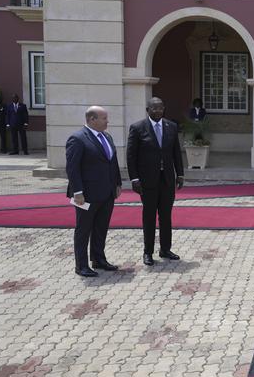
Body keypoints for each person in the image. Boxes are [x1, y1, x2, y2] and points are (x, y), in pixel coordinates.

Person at [127, 97, 185, 266]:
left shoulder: (171, 127)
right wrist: (134, 178)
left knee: (166, 216)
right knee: (149, 216)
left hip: (167, 180)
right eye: (154, 108)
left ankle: (165, 249)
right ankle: (148, 252)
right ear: (148, 110)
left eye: (160, 108)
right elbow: (131, 156)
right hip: (147, 181)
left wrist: (179, 174)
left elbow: (176, 153)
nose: (158, 111)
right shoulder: (138, 128)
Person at [65, 106, 122, 277]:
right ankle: (81, 265)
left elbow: (113, 162)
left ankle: (98, 259)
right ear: (92, 120)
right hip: (86, 194)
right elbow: (72, 168)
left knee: (100, 228)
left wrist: (117, 183)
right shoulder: (78, 138)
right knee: (83, 229)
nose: (107, 121)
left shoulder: (107, 137)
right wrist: (77, 192)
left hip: (107, 192)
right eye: (104, 118)